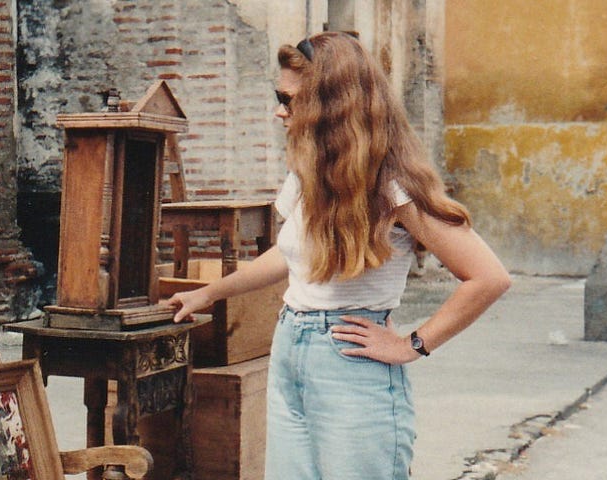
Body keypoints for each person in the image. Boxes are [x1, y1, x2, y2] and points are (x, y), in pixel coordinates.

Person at [164, 31, 510, 480]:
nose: (278, 110)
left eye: (287, 99)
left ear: (330, 104)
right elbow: (290, 256)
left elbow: (489, 277)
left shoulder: (394, 185)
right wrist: (207, 294)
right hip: (289, 347)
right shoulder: (310, 172)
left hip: (351, 361)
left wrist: (412, 345)